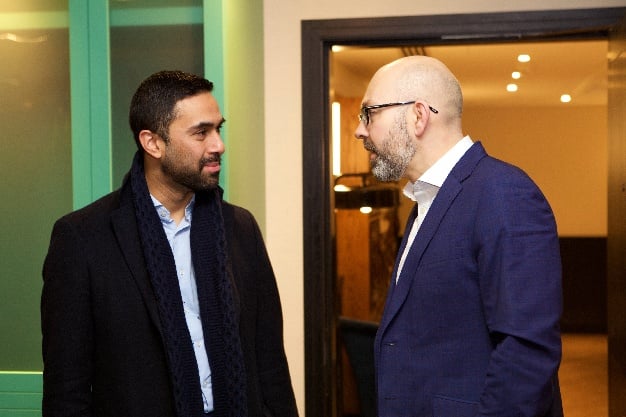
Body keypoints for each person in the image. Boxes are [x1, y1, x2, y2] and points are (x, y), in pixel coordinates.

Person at [41, 70, 298, 417]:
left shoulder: (240, 227)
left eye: (218, 129)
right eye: (201, 133)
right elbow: (66, 391)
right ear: (153, 143)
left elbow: (270, 364)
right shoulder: (83, 238)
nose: (218, 145)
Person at [354, 56, 563, 417]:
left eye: (369, 113)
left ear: (418, 116)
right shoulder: (426, 201)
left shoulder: (505, 194)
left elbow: (525, 355)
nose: (360, 130)